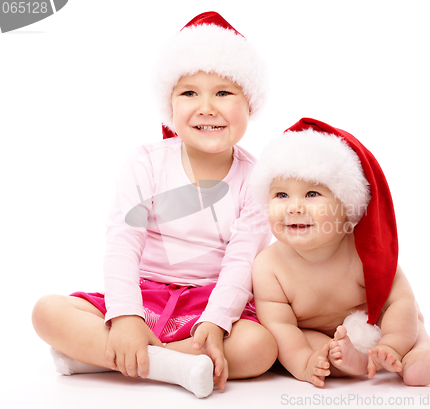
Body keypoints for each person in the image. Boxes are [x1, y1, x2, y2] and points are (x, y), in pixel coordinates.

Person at [32, 12, 277, 399]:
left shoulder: (258, 178)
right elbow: (122, 241)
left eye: (224, 93)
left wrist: (215, 321)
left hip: (208, 301)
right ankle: (172, 365)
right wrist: (127, 315)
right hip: (143, 295)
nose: (207, 107)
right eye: (189, 92)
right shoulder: (147, 161)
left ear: (252, 103)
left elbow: (242, 260)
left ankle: (102, 359)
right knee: (47, 311)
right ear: (170, 104)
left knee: (259, 348)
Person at [250, 117, 430, 387]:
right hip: (315, 332)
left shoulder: (365, 252)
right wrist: (304, 362)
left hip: (378, 323)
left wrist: (392, 343)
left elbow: (400, 299)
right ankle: (351, 363)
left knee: (411, 321)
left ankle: (415, 360)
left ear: (346, 207)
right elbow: (281, 327)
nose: (293, 207)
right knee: (321, 349)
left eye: (312, 194)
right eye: (281, 195)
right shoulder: (269, 266)